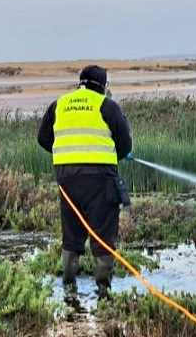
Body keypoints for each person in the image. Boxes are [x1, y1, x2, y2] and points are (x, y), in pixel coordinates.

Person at [37, 64, 132, 301]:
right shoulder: (106, 106)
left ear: (81, 82)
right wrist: (112, 155)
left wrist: (65, 155)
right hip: (101, 180)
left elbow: (43, 138)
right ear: (102, 85)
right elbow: (125, 144)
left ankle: (69, 290)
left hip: (67, 179)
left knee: (71, 235)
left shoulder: (59, 104)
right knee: (103, 235)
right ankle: (103, 291)